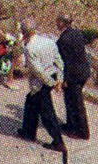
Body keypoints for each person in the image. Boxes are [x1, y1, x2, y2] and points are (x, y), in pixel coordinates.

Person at [16, 19, 64, 150]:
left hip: (42, 81)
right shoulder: (48, 41)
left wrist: (53, 84)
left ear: (24, 33)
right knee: (30, 102)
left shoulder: (30, 48)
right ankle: (28, 132)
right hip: (52, 74)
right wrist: (59, 79)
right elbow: (59, 61)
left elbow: (38, 71)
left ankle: (58, 142)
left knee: (47, 113)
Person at [53, 13, 91, 140]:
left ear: (63, 23)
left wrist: (65, 79)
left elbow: (66, 61)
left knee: (76, 103)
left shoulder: (64, 40)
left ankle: (82, 132)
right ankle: (70, 125)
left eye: (58, 21)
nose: (56, 23)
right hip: (82, 71)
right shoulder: (76, 33)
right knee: (70, 100)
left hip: (74, 75)